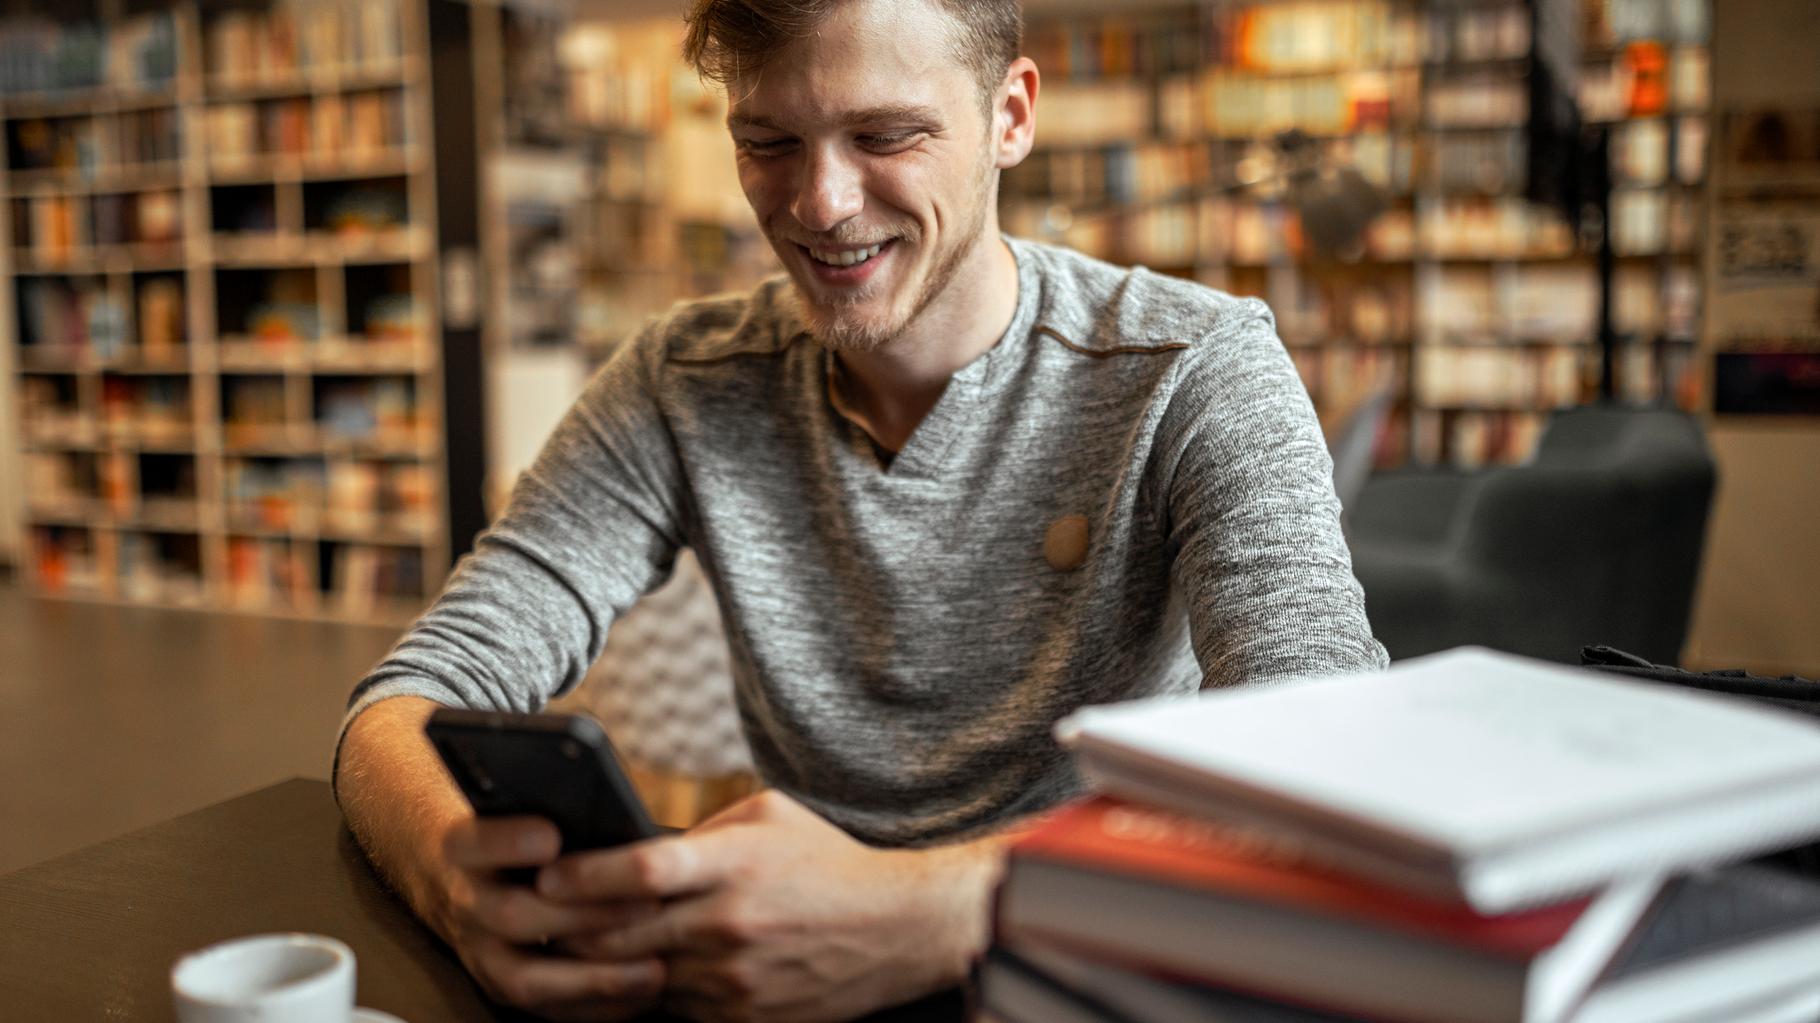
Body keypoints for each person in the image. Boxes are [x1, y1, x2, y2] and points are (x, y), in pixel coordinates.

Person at [333, 0, 1388, 1019]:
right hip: (765, 976)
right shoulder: (680, 379)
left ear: (1009, 117)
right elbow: (405, 701)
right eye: (768, 142)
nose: (819, 203)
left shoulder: (1195, 366)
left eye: (885, 135)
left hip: (1100, 966)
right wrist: (453, 883)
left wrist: (939, 913)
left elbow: (1328, 761)